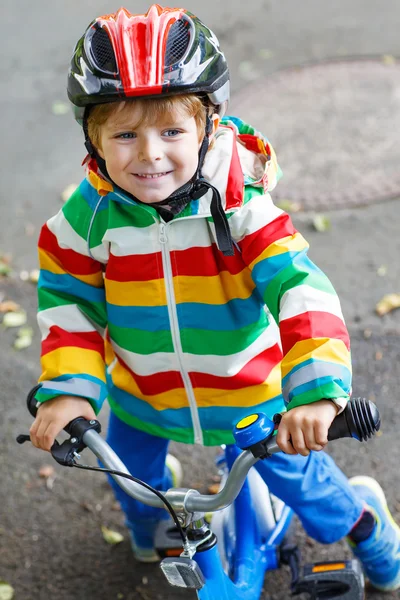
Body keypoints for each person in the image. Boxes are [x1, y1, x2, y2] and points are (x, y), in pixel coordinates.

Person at [29, 5, 400, 592]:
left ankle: (363, 522)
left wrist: (317, 392)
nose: (149, 154)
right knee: (131, 477)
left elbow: (301, 286)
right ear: (93, 138)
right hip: (141, 391)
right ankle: (150, 524)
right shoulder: (85, 222)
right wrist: (70, 391)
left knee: (302, 482)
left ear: (207, 126)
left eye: (171, 131)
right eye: (125, 134)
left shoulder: (240, 207)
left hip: (250, 393)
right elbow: (70, 305)